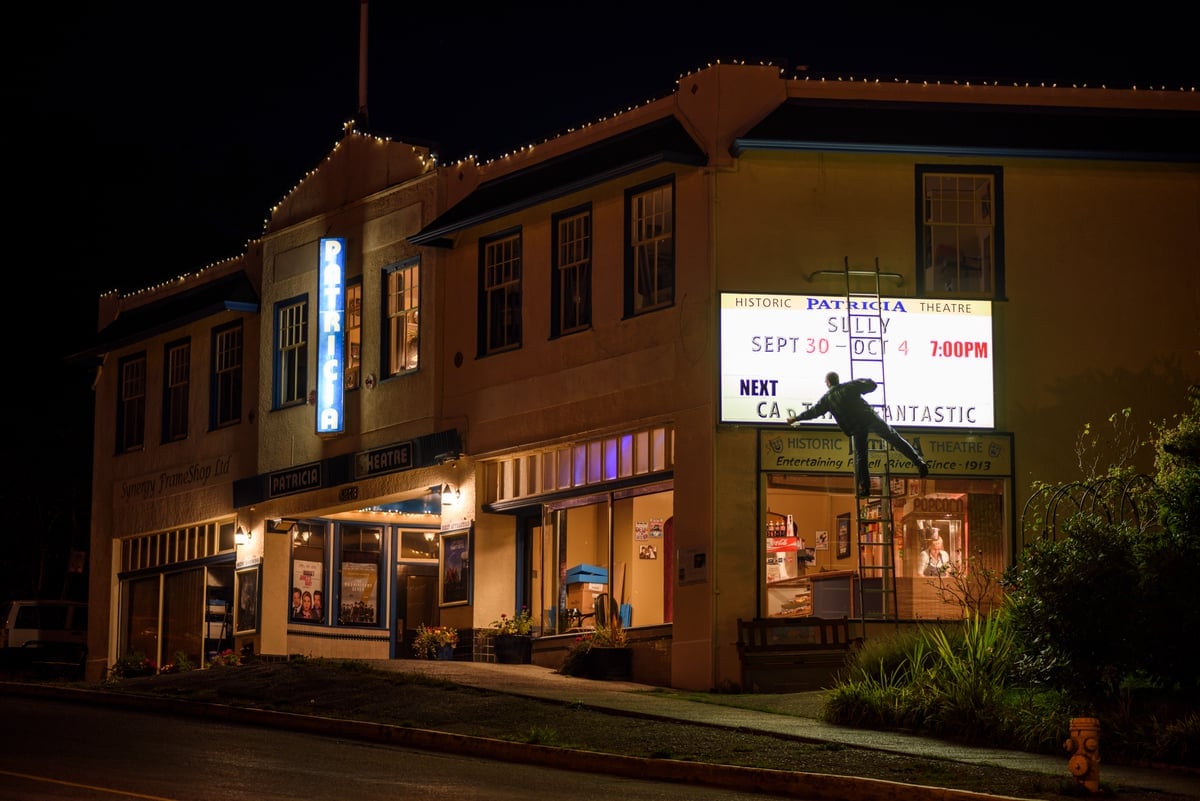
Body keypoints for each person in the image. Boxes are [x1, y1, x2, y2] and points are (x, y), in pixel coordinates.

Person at [788, 371, 929, 497]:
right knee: (894, 438)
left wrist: (796, 418)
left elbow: (813, 412)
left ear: (828, 383)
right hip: (869, 417)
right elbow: (871, 385)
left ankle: (865, 488)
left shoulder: (827, 399)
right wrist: (865, 383)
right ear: (837, 380)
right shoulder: (849, 387)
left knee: (862, 457)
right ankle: (918, 462)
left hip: (856, 427)